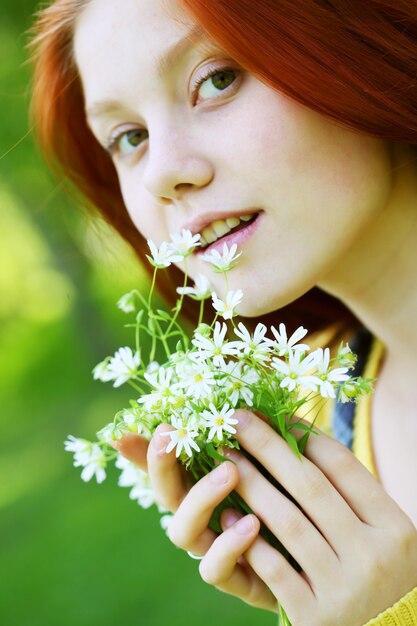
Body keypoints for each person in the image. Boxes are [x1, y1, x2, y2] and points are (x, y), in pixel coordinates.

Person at [30, 0, 417, 624]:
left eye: (216, 79)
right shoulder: (301, 424)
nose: (162, 174)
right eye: (129, 138)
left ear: (351, 38)